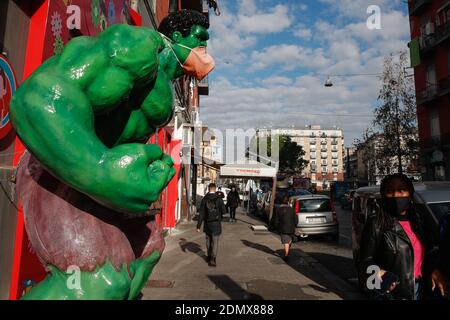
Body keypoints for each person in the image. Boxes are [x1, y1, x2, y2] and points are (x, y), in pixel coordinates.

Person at [10, 10, 214, 300]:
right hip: (59, 166)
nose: (205, 48)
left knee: (147, 249)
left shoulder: (167, 83)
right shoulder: (138, 45)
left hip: (99, 180)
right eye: (200, 38)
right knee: (100, 281)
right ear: (178, 37)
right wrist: (101, 168)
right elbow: (38, 97)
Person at [357, 174, 443, 300]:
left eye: (402, 190)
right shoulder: (376, 223)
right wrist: (378, 272)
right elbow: (365, 260)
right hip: (392, 293)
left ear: (410, 194)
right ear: (383, 195)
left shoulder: (419, 221)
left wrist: (434, 270)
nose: (396, 195)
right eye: (390, 191)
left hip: (422, 288)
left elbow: (429, 254)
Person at [197, 183, 226, 267]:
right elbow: (224, 211)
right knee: (215, 241)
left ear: (208, 189)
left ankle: (209, 256)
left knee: (208, 240)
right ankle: (213, 259)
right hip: (216, 223)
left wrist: (198, 226)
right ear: (215, 189)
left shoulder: (204, 199)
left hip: (207, 223)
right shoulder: (219, 199)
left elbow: (201, 213)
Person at [277, 196, 298, 262]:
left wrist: (276, 227)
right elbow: (296, 219)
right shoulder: (292, 209)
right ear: (288, 202)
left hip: (283, 228)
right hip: (291, 228)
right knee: (289, 241)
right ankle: (287, 252)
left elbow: (276, 220)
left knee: (286, 242)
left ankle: (286, 255)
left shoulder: (279, 209)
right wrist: (295, 225)